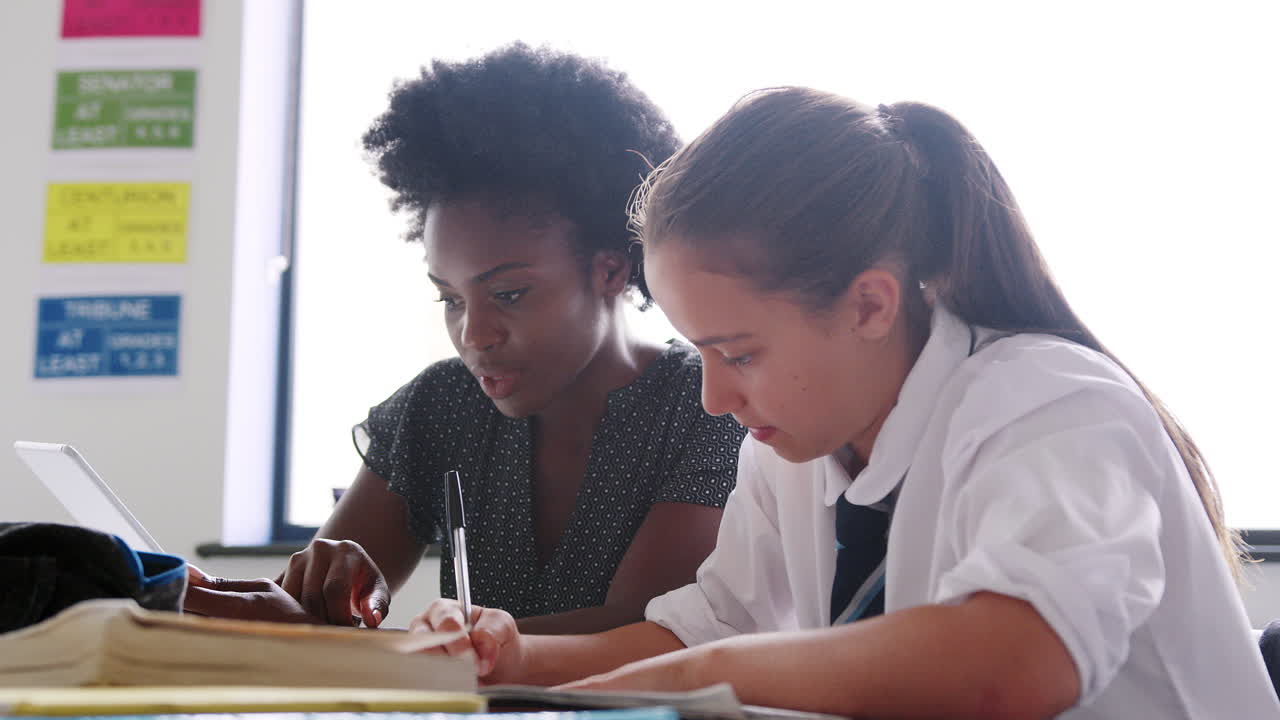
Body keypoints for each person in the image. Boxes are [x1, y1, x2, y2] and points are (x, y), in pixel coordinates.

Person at [410, 87, 1280, 718]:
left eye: (739, 352)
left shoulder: (1052, 408)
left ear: (869, 305)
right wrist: (520, 655)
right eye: (698, 351)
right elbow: (706, 628)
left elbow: (1015, 664)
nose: (714, 396)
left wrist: (705, 676)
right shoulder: (790, 448)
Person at [183, 44, 745, 633]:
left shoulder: (704, 407)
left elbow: (642, 633)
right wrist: (293, 593)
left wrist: (414, 652)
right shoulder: (442, 406)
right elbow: (301, 623)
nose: (472, 335)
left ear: (610, 269)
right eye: (449, 299)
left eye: (508, 294)